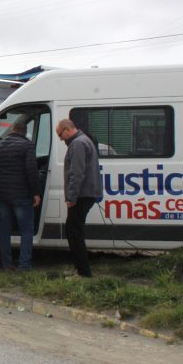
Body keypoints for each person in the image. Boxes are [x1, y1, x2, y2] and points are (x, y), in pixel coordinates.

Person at [0, 121, 41, 271]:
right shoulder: (27, 146)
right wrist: (36, 193)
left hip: (2, 195)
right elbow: (32, 171)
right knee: (26, 230)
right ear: (24, 132)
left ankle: (6, 264)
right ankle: (24, 265)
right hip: (21, 195)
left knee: (4, 230)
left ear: (12, 130)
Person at [56, 118, 103, 278]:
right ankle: (81, 269)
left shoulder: (78, 144)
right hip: (86, 194)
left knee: (74, 232)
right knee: (73, 230)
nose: (61, 139)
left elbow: (76, 173)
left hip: (82, 195)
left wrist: (72, 197)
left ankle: (83, 272)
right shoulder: (84, 141)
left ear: (67, 129)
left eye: (60, 134)